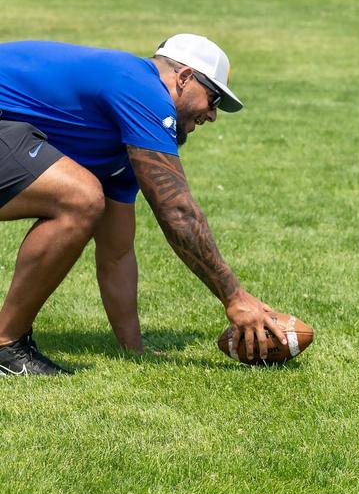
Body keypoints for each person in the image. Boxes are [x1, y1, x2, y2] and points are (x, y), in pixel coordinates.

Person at [0, 34, 287, 375]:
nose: (212, 115)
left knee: (85, 198)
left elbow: (117, 253)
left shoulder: (118, 147)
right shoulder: (141, 88)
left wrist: (133, 349)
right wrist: (235, 298)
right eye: (212, 99)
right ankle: (6, 344)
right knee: (79, 197)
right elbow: (177, 211)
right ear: (183, 78)